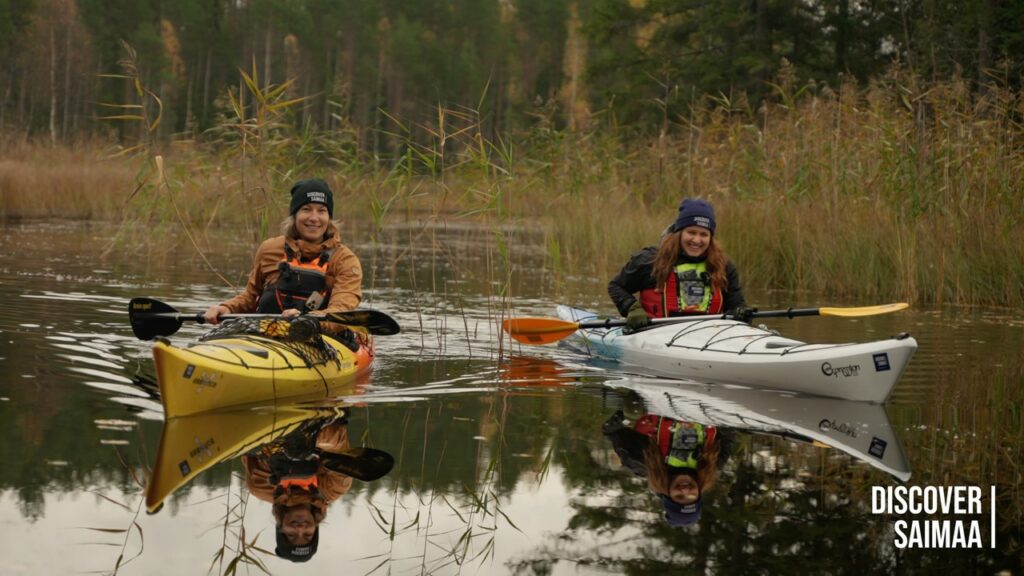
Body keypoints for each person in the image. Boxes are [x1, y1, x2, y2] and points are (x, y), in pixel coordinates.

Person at [203, 178, 362, 324]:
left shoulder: (344, 259)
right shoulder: (269, 249)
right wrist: (225, 308)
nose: (314, 218)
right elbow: (250, 297)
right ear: (295, 215)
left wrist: (305, 320)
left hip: (315, 336)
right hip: (265, 332)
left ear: (329, 217)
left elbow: (342, 308)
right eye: (306, 209)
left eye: (321, 211)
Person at [608, 197, 754, 331]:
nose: (697, 240)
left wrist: (741, 312)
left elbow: (736, 305)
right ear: (680, 233)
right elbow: (616, 286)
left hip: (709, 336)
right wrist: (632, 308)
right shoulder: (649, 260)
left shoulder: (724, 267)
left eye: (703, 234)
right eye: (691, 232)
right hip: (654, 334)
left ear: (711, 238)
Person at [602, 410, 730, 527]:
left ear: (668, 495)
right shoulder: (714, 464)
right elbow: (729, 434)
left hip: (659, 403)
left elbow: (613, 433)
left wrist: (614, 425)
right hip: (705, 407)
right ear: (699, 493)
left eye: (679, 496)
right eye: (692, 496)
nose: (685, 490)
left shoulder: (641, 464)